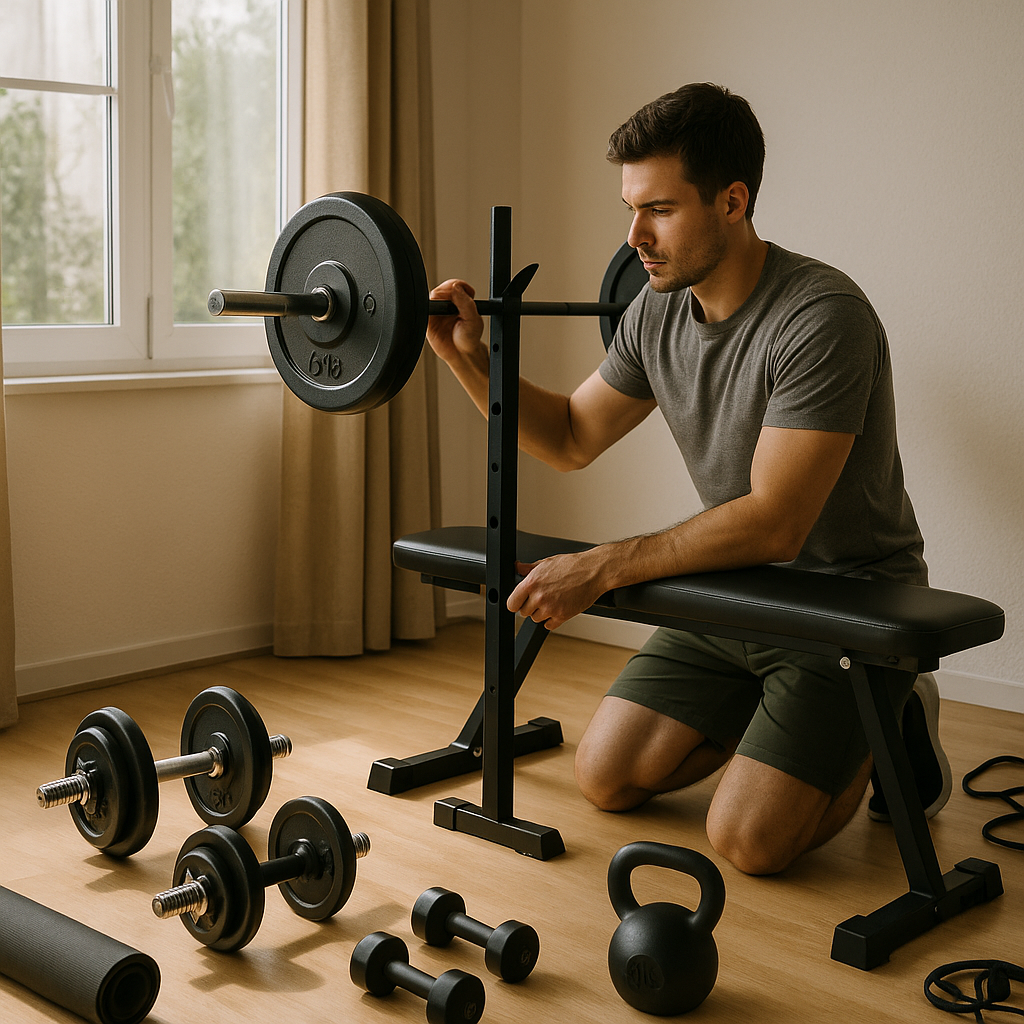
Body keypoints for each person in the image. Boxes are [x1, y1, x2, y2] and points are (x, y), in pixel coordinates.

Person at [425, 83, 950, 875]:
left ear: (732, 201)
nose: (634, 235)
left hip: (846, 598)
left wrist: (601, 566)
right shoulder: (655, 311)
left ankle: (893, 709)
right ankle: (787, 726)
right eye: (630, 208)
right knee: (605, 777)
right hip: (734, 589)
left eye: (660, 210)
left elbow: (777, 522)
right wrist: (472, 361)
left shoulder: (822, 316)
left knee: (749, 842)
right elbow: (570, 437)